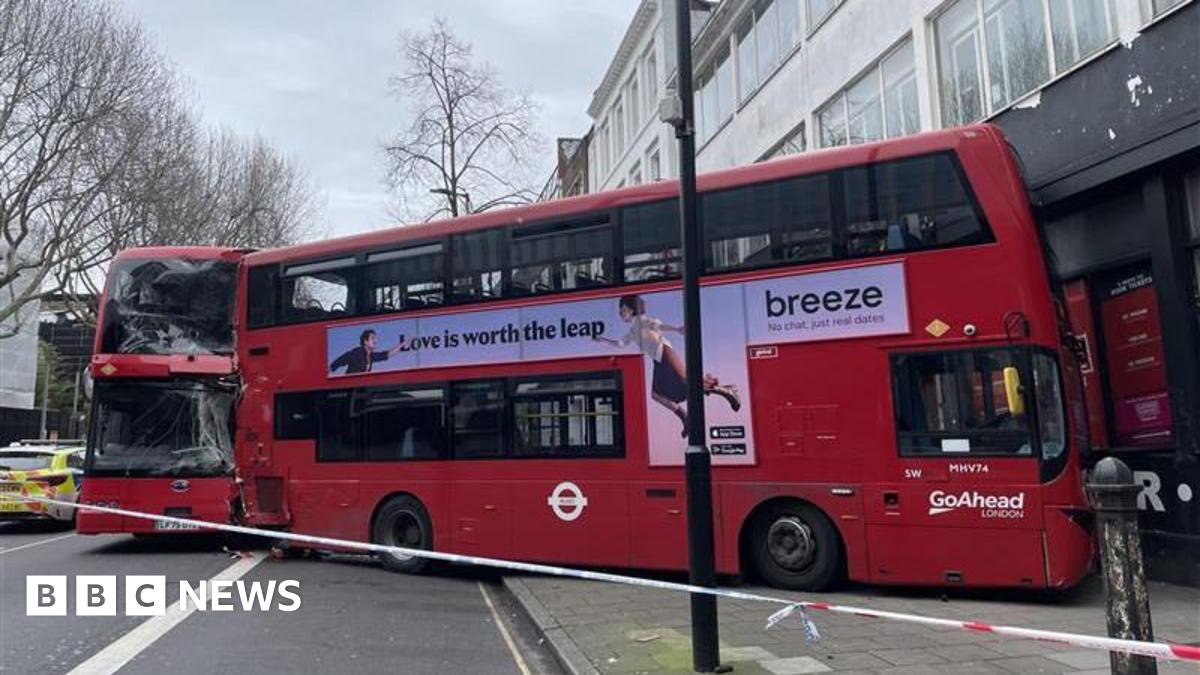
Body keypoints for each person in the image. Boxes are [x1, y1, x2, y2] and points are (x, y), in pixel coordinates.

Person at [594, 294, 740, 436]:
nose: (621, 314)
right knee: (657, 394)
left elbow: (658, 325)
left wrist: (676, 329)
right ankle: (685, 417)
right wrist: (603, 340)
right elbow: (620, 344)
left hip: (665, 353)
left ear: (632, 310)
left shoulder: (641, 321)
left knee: (687, 383)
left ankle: (727, 391)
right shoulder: (633, 330)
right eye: (620, 311)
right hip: (658, 360)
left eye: (623, 310)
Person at [329, 329, 405, 374]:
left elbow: (387, 354)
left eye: (375, 339)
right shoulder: (356, 353)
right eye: (372, 338)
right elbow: (338, 362)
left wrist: (401, 345)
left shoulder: (371, 356)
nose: (375, 341)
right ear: (365, 341)